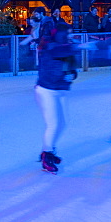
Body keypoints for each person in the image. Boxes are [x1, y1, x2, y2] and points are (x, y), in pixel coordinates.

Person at [35, 18, 93, 173]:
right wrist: (81, 46)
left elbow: (72, 69)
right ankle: (46, 155)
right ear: (59, 33)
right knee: (53, 124)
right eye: (67, 32)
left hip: (60, 90)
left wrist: (71, 75)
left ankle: (48, 150)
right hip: (47, 90)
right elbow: (58, 51)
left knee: (63, 123)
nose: (69, 35)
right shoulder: (48, 46)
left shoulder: (67, 46)